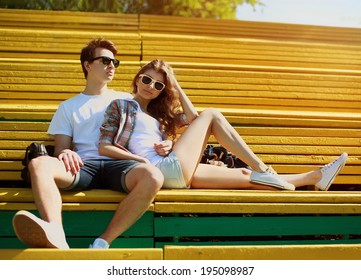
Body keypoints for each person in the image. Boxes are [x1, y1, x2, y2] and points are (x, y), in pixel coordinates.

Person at [98, 59, 347, 191]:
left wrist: (175, 85)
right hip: (157, 170)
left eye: (159, 85)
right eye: (146, 79)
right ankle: (263, 166)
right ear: (137, 78)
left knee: (244, 176)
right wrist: (140, 160)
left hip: (173, 173)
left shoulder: (161, 116)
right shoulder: (121, 106)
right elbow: (107, 146)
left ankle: (315, 177)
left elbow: (191, 118)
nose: (150, 86)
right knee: (213, 114)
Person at [12, 39, 164, 249]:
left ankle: (102, 242)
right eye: (105, 60)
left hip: (120, 165)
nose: (112, 66)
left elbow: (154, 128)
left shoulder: (128, 99)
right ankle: (55, 233)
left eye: (114, 62)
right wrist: (66, 152)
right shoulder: (68, 106)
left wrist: (170, 143)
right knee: (38, 164)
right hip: (83, 167)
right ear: (87, 65)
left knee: (154, 176)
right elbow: (61, 147)